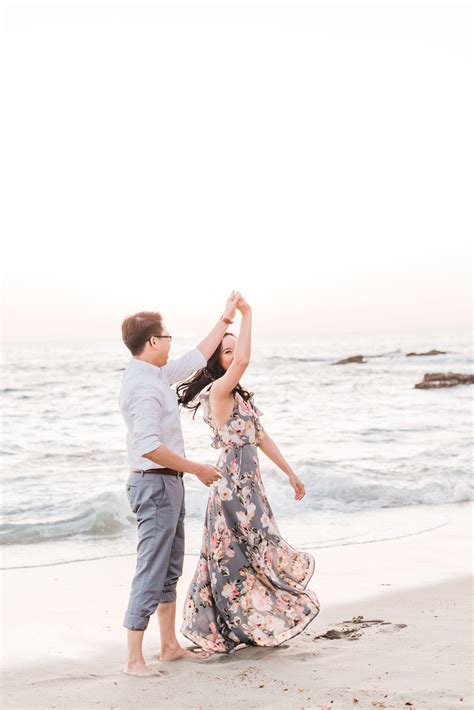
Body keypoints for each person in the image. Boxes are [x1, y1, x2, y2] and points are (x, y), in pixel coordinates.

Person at [177, 296, 320, 654]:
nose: (235, 354)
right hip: (231, 488)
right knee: (232, 557)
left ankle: (251, 623)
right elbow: (245, 359)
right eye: (226, 351)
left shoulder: (239, 396)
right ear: (217, 361)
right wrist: (247, 315)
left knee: (255, 552)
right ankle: (232, 627)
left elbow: (261, 436)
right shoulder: (219, 391)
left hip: (250, 486)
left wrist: (290, 473)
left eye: (234, 349)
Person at [119, 291, 241, 675]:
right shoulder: (142, 385)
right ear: (152, 341)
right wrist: (195, 468)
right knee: (151, 569)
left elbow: (195, 358)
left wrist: (224, 320)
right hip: (154, 484)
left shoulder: (154, 373)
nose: (172, 341)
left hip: (167, 484)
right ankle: (134, 659)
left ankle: (169, 646)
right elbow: (148, 446)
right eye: (167, 336)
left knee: (169, 568)